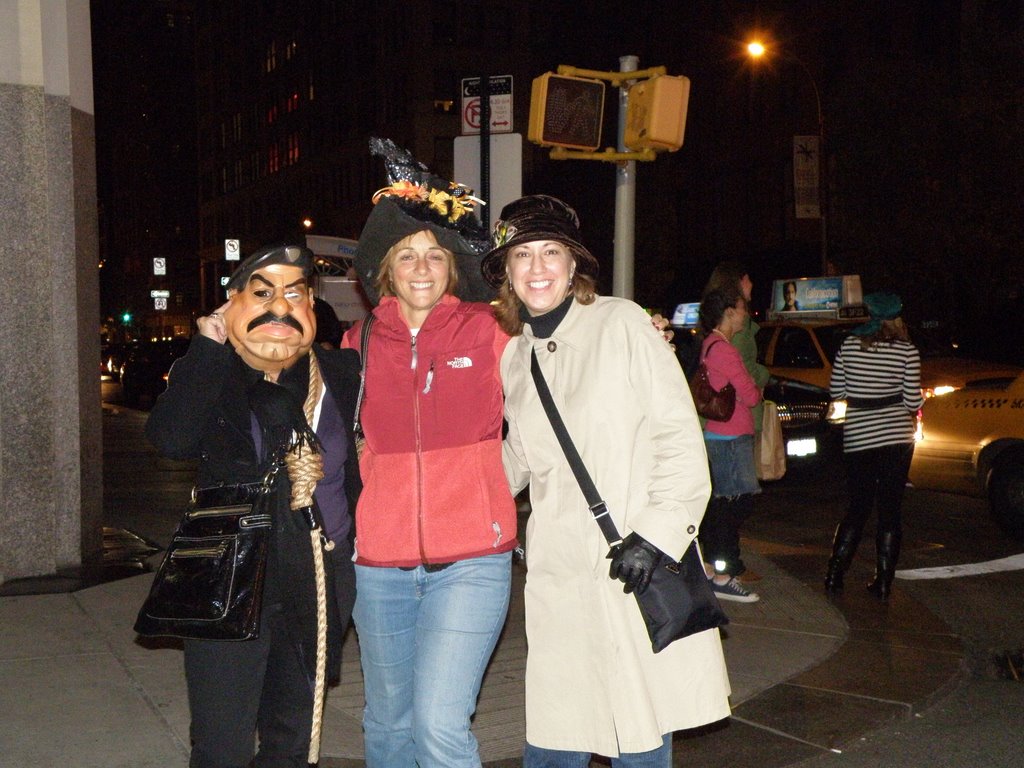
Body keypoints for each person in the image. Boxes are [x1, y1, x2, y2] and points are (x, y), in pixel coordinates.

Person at [482, 195, 731, 767]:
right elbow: (519, 458)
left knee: (639, 737)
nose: (538, 267)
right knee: (553, 739)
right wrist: (435, 480)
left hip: (632, 568)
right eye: (522, 255)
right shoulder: (515, 359)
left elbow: (680, 442)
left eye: (551, 252)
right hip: (559, 581)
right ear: (507, 275)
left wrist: (656, 536)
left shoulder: (623, 324)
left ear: (574, 268)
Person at [145, 244, 362, 767]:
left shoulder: (342, 372)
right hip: (231, 574)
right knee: (223, 741)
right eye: (262, 293)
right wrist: (207, 346)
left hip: (318, 570)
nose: (279, 307)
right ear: (231, 303)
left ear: (312, 302)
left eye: (294, 293)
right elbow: (172, 439)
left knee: (291, 736)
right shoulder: (212, 371)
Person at [341, 138, 518, 768]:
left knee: (442, 725)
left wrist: (631, 325)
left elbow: (564, 350)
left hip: (473, 558)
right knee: (389, 725)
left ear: (451, 267)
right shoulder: (354, 343)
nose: (421, 268)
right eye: (407, 256)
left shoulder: (492, 330)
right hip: (378, 563)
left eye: (434, 256)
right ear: (386, 270)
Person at [825, 291, 922, 600]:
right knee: (890, 510)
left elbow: (837, 390)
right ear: (896, 318)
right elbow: (912, 400)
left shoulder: (849, 345)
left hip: (859, 437)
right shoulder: (907, 351)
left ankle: (834, 575)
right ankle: (883, 582)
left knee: (857, 506)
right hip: (895, 438)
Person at [702, 261, 770, 583]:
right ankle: (722, 567)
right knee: (734, 502)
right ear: (729, 312)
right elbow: (752, 394)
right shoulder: (725, 351)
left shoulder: (712, 345)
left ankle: (718, 564)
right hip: (729, 436)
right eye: (742, 309)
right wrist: (755, 386)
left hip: (725, 434)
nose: (746, 314)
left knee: (727, 501)